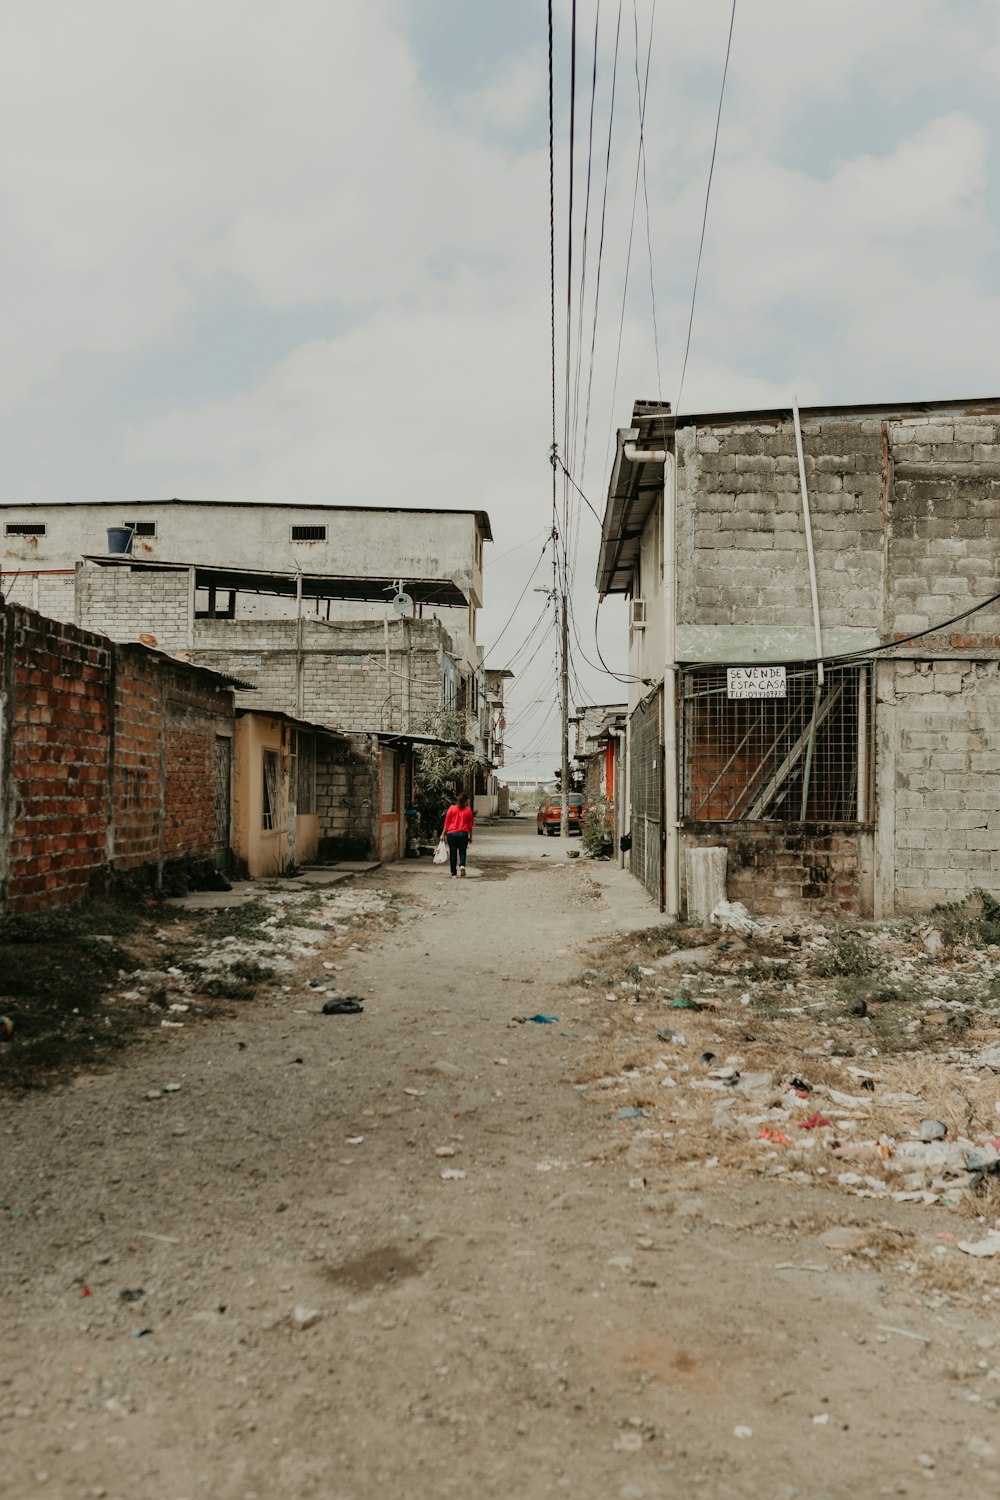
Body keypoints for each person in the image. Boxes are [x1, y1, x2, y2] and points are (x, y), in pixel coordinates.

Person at [440, 792, 474, 877]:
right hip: (463, 834)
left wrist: (442, 834)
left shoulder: (451, 808)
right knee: (462, 851)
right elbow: (470, 825)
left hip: (452, 834)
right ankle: (462, 865)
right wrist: (470, 836)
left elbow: (447, 823)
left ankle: (453, 873)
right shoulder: (468, 810)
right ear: (466, 801)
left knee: (453, 853)